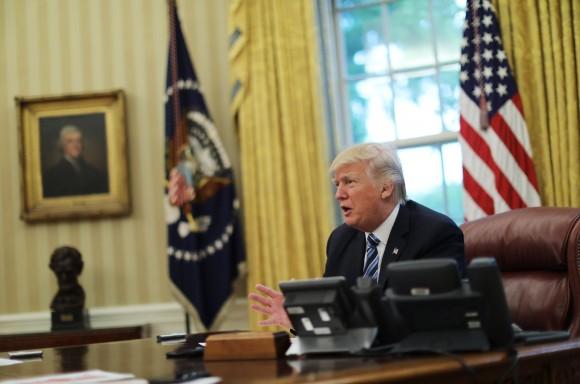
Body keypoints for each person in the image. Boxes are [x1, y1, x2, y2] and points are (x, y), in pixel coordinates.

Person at [249, 142, 465, 329]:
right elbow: (335, 315)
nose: (338, 194)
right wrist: (304, 318)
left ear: (386, 188)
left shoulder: (434, 232)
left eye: (349, 182)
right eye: (337, 184)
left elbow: (427, 316)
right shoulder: (340, 240)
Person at [42, 125, 108, 197]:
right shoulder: (51, 174)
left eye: (78, 141)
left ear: (82, 144)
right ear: (62, 145)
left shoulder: (94, 171)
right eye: (70, 141)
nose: (76, 145)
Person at [49, 246, 85, 312]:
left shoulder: (79, 298)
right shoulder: (57, 301)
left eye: (69, 273)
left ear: (79, 270)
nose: (64, 278)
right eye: (59, 273)